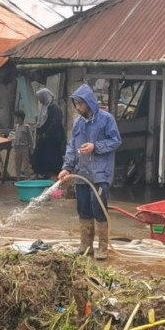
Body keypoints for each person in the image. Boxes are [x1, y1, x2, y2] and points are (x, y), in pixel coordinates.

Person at [58, 84, 122, 260]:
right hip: (82, 174)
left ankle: (102, 247)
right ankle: (85, 245)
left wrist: (96, 147)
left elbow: (116, 141)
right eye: (76, 104)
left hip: (100, 174)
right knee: (83, 209)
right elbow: (72, 147)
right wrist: (66, 167)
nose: (77, 107)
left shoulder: (106, 119)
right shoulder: (78, 123)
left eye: (80, 104)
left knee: (98, 209)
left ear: (89, 103)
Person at [32, 88, 65, 179]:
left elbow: (55, 122)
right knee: (40, 154)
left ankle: (50, 174)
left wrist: (47, 132)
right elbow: (44, 121)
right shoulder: (45, 107)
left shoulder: (54, 108)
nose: (39, 100)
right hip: (46, 137)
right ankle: (42, 173)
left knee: (50, 156)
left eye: (40, 98)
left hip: (53, 138)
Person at [11, 110, 33, 181]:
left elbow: (30, 139)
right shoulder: (16, 127)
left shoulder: (26, 127)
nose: (15, 120)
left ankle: (28, 179)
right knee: (17, 164)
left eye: (16, 118)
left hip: (24, 148)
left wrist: (31, 148)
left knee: (26, 165)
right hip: (17, 148)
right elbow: (16, 137)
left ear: (20, 118)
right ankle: (18, 179)